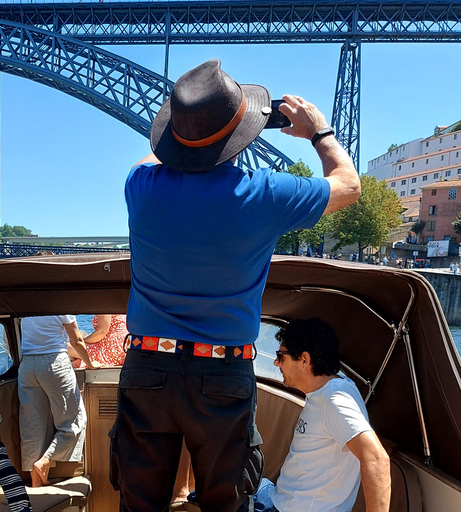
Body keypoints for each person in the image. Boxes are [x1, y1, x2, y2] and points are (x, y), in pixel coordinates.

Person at [112, 58, 361, 512]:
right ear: (238, 137)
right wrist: (318, 132)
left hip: (147, 371)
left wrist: (202, 132)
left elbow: (157, 154)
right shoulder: (265, 194)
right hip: (222, 376)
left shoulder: (141, 188)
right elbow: (348, 185)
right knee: (226, 504)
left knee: (139, 503)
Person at [255, 318, 391, 512]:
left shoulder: (335, 400)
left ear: (304, 359)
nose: (276, 362)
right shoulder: (332, 388)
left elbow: (377, 459)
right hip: (280, 499)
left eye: (281, 356)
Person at [18, 315, 98, 487]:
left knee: (33, 426)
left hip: (27, 366)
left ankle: (36, 483)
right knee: (75, 420)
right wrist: (89, 364)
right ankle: (46, 460)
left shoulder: (26, 304)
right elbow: (76, 340)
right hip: (54, 364)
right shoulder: (60, 305)